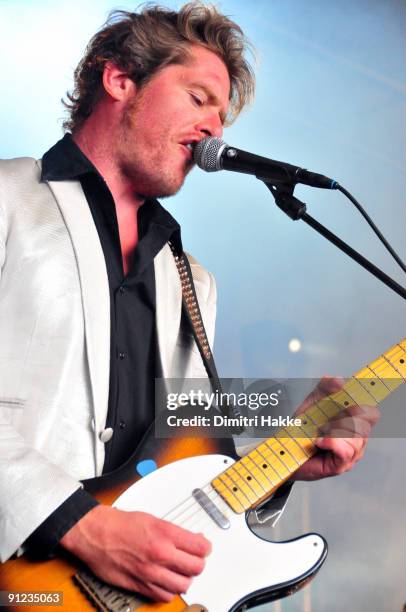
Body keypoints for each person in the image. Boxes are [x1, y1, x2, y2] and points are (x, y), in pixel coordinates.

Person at [0, 1, 379, 603]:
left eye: (223, 116)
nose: (215, 129)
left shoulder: (191, 279)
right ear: (120, 79)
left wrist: (291, 453)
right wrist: (80, 523)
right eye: (199, 97)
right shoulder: (6, 199)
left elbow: (183, 463)